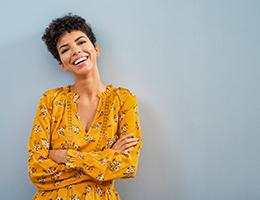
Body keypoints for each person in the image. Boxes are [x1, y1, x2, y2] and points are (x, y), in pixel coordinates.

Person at [28, 13, 142, 200]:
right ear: (62, 64)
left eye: (81, 42)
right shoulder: (50, 101)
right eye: (65, 50)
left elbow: (127, 166)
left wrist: (67, 157)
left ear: (95, 49)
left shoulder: (123, 100)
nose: (75, 51)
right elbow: (36, 171)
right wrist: (108, 157)